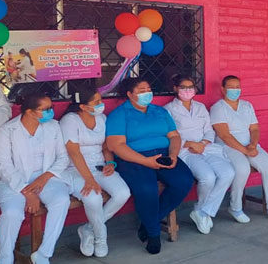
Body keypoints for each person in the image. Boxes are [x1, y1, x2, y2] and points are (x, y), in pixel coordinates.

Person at [106, 78, 194, 255]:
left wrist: (173, 155)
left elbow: (174, 136)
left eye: (148, 89)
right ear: (130, 95)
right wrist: (145, 161)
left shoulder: (159, 111)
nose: (147, 93)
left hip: (163, 153)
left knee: (184, 181)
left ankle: (150, 223)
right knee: (147, 188)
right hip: (132, 158)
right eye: (141, 90)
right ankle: (153, 235)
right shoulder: (119, 114)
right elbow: (116, 146)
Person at [0, 92, 70, 264]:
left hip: (45, 177)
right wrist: (27, 192)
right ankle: (5, 257)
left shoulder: (53, 126)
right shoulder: (6, 131)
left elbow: (63, 157)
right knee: (12, 212)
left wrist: (44, 178)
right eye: (45, 109)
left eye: (51, 108)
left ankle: (43, 254)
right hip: (13, 181)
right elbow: (4, 166)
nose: (50, 112)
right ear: (29, 112)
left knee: (61, 200)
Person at [60, 89, 130, 258]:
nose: (101, 104)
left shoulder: (102, 118)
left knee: (123, 193)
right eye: (96, 102)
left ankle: (88, 229)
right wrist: (89, 180)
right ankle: (100, 238)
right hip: (74, 169)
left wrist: (110, 163)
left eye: (100, 100)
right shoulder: (69, 121)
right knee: (93, 197)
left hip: (99, 166)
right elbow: (74, 152)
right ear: (83, 106)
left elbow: (105, 146)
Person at [210, 75, 268, 223]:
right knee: (242, 169)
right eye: (231, 87)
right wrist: (245, 151)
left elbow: (254, 128)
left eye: (237, 87)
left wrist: (253, 144)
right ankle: (235, 208)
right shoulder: (218, 108)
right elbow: (224, 135)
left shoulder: (247, 105)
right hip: (228, 147)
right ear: (222, 89)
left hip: (249, 145)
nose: (235, 90)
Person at [164, 74, 234, 235]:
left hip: (205, 147)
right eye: (183, 87)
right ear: (175, 89)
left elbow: (209, 130)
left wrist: (202, 144)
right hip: (185, 150)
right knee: (208, 177)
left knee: (228, 172)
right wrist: (189, 144)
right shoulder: (168, 110)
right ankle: (203, 211)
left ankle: (202, 211)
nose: (188, 90)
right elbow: (168, 135)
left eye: (191, 87)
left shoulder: (200, 107)